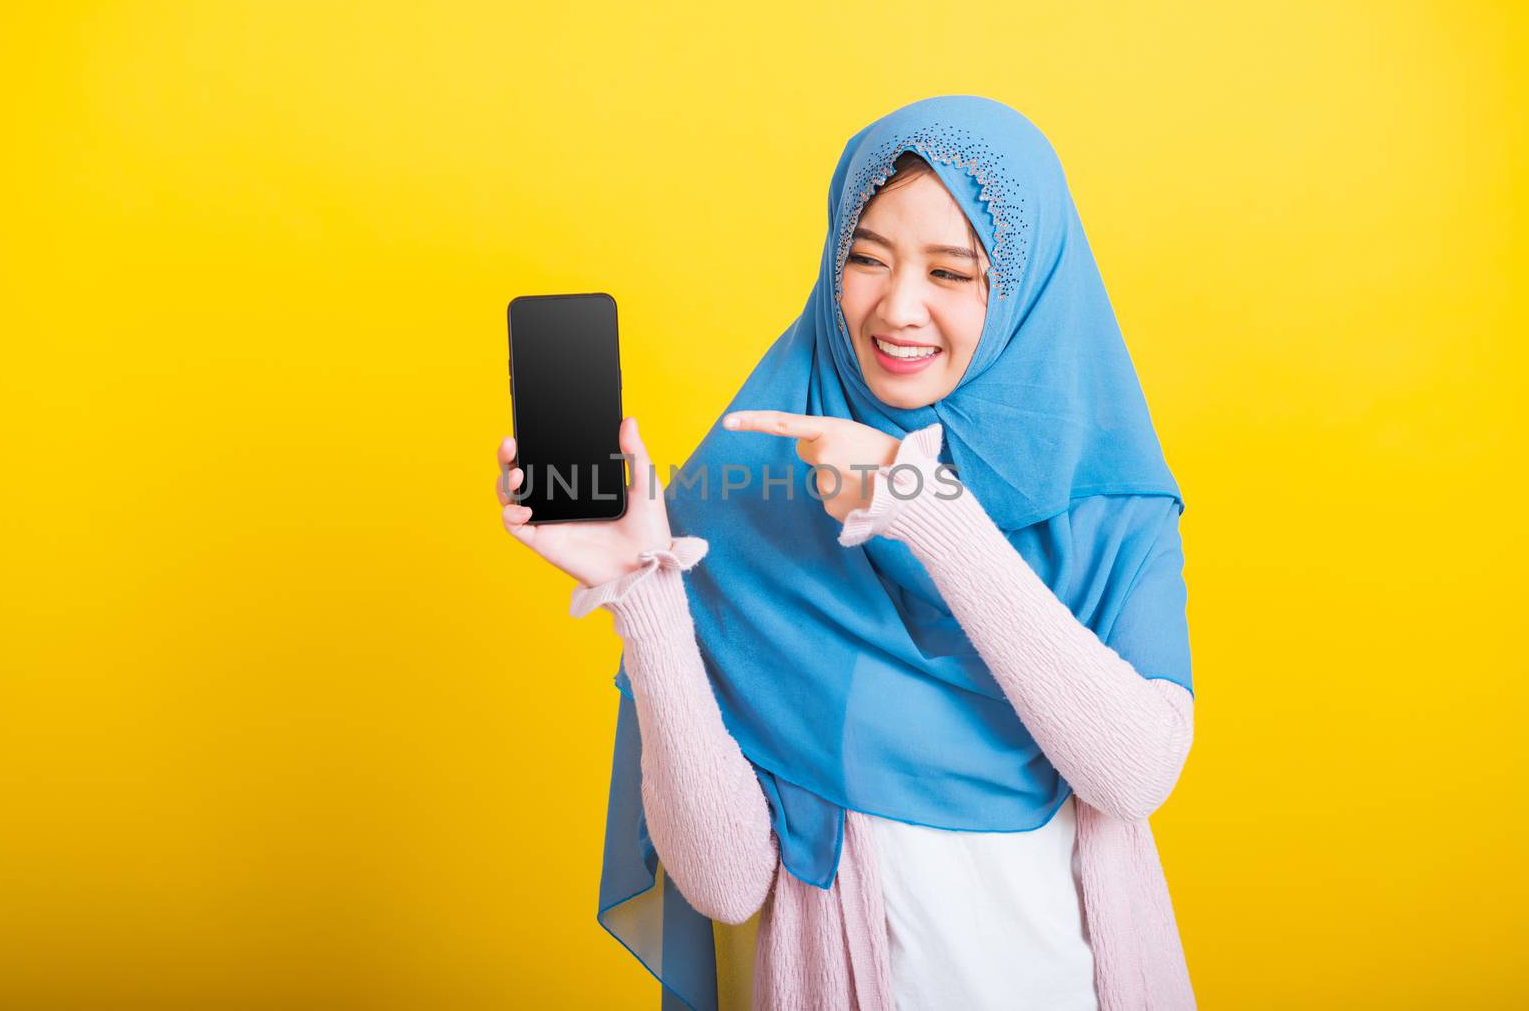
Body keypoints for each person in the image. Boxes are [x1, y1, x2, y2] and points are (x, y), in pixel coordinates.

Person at [493, 95, 1198, 1010]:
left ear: (1025, 288)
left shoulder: (1112, 509)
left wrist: (926, 510)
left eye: (953, 272)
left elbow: (1133, 773)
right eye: (865, 257)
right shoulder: (741, 499)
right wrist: (641, 591)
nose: (898, 308)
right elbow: (724, 882)